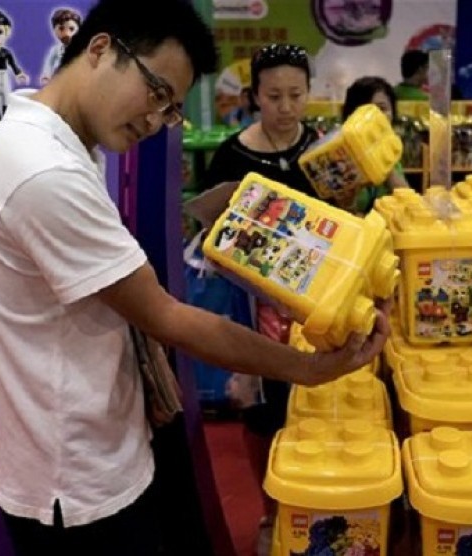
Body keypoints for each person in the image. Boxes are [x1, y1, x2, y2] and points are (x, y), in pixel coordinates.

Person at [0, 3, 391, 555]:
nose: (155, 118)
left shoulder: (47, 144)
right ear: (99, 50)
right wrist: (309, 369)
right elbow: (166, 316)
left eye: (171, 109)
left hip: (87, 455)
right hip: (78, 483)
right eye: (156, 91)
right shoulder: (42, 170)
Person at [202, 42, 327, 556]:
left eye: (296, 94)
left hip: (315, 302)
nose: (285, 106)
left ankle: (314, 507)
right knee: (261, 411)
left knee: (313, 402)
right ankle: (270, 512)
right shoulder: (231, 154)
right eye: (274, 95)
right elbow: (209, 233)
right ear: (254, 95)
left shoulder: (321, 149)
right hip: (251, 305)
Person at [341, 75, 409, 213]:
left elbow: (407, 202)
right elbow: (343, 211)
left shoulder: (392, 151)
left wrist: (382, 164)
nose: (374, 117)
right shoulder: (340, 155)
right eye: (364, 110)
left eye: (382, 109)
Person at [40, 7, 82, 84]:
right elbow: (49, 63)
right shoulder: (56, 50)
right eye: (61, 29)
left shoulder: (81, 49)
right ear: (55, 30)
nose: (67, 34)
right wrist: (46, 75)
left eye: (71, 29)